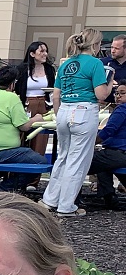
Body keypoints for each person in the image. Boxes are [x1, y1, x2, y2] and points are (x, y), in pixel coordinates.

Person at [41, 27, 113, 217]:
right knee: (78, 160)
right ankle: (66, 206)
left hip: (64, 110)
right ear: (96, 45)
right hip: (83, 110)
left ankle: (50, 199)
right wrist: (110, 81)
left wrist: (59, 115)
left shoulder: (66, 64)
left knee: (63, 157)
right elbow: (101, 94)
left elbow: (56, 96)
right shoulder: (96, 63)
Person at [86, 80, 126, 209]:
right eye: (116, 93)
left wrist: (91, 142)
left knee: (82, 161)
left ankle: (71, 197)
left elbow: (109, 130)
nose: (118, 96)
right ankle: (108, 197)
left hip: (118, 152)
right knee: (103, 163)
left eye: (122, 93)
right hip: (118, 154)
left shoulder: (122, 109)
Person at [20, 40, 56, 158]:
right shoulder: (22, 69)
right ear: (32, 54)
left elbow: (53, 88)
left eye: (46, 51)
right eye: (41, 51)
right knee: (23, 136)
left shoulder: (49, 69)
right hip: (26, 105)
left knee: (41, 138)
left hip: (44, 105)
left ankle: (36, 173)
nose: (45, 54)